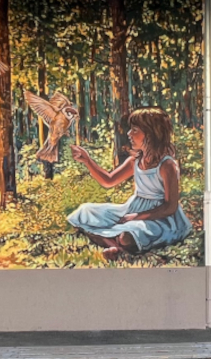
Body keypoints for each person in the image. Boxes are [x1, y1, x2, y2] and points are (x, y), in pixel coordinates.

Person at [67, 107, 192, 261]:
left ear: (151, 133)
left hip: (159, 218)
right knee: (85, 212)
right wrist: (87, 161)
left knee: (128, 235)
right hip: (132, 208)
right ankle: (114, 246)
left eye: (134, 130)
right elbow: (108, 181)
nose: (129, 134)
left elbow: (170, 206)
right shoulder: (135, 162)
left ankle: (114, 244)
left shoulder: (167, 165)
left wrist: (138, 217)